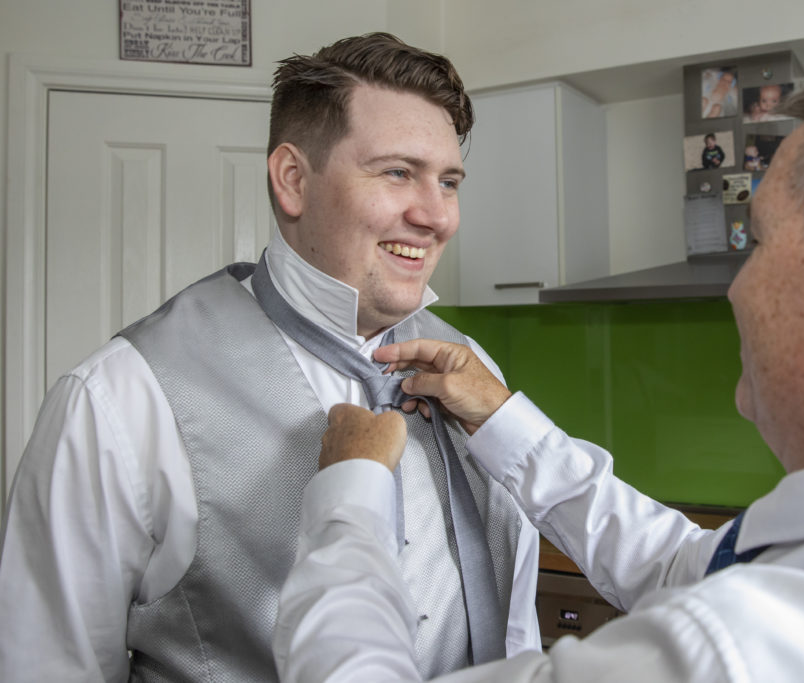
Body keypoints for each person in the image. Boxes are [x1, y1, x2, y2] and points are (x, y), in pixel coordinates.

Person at [272, 37, 804, 681]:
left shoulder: (742, 649)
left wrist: (350, 493)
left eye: (758, 244)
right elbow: (679, 563)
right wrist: (505, 421)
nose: (737, 290)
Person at [0, 33, 540, 681]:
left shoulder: (474, 371)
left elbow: (516, 621)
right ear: (292, 181)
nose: (437, 216)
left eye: (448, 180)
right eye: (398, 171)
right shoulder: (118, 400)